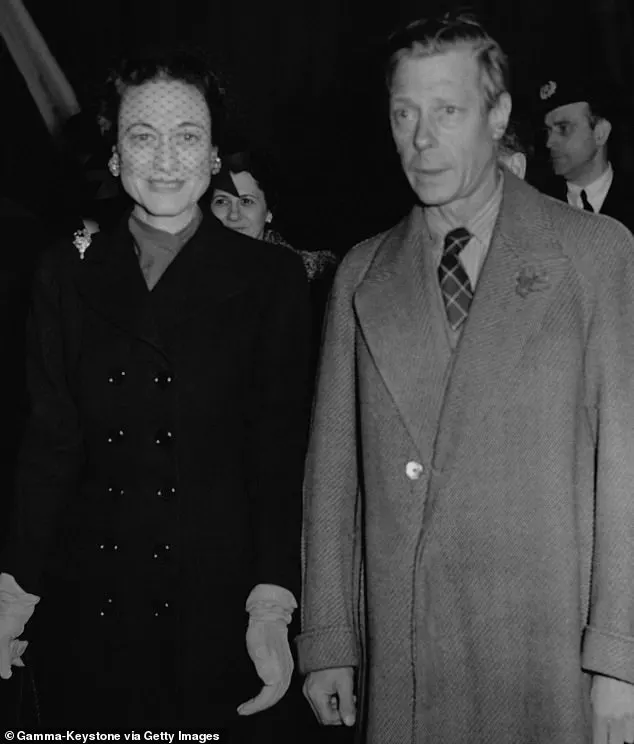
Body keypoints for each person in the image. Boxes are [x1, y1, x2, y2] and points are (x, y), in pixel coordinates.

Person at [298, 12, 634, 744]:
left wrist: (621, 659)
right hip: (409, 656)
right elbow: (333, 473)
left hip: (549, 650)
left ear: (499, 113)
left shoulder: (597, 254)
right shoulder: (361, 273)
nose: (422, 139)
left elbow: (628, 470)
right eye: (404, 114)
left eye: (447, 111)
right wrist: (328, 637)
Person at [1, 48, 311, 737]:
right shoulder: (63, 272)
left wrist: (273, 601)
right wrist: (13, 592)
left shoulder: (271, 280)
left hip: (216, 603)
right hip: (91, 599)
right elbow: (50, 443)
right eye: (143, 136)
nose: (166, 159)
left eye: (188, 137)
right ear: (113, 156)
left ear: (212, 156)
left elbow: (278, 451)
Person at [539, 68, 634, 231]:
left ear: (600, 133)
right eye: (548, 131)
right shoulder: (537, 206)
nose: (549, 142)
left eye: (563, 128)